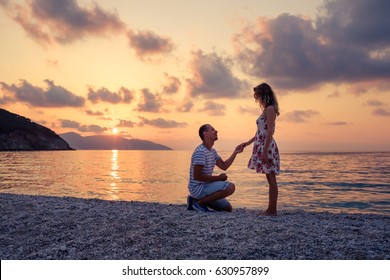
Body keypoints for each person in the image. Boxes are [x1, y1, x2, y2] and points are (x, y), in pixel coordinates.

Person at [242, 83, 280, 216]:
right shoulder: (266, 109)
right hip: (263, 145)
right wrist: (247, 143)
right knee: (269, 179)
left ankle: (272, 210)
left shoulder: (270, 109)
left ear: (264, 94)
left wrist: (265, 151)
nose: (257, 99)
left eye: (257, 95)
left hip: (267, 147)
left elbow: (269, 132)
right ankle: (270, 209)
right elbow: (259, 133)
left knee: (271, 179)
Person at [187, 124, 244, 212]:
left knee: (227, 208)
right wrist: (219, 178)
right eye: (212, 130)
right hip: (197, 188)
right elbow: (197, 176)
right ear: (205, 134)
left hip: (204, 186)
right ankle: (200, 203)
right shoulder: (201, 152)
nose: (216, 131)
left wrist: (235, 152)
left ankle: (194, 200)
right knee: (230, 187)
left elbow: (224, 166)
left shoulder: (212, 152)